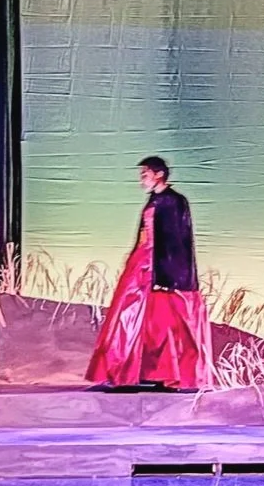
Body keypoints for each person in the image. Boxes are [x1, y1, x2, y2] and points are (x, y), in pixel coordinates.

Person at [86, 156, 213, 390]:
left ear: (159, 174)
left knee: (165, 326)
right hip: (143, 267)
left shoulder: (175, 201)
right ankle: (130, 372)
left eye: (145, 174)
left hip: (162, 272)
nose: (141, 179)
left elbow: (177, 242)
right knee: (133, 319)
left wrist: (167, 276)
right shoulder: (155, 200)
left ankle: (166, 376)